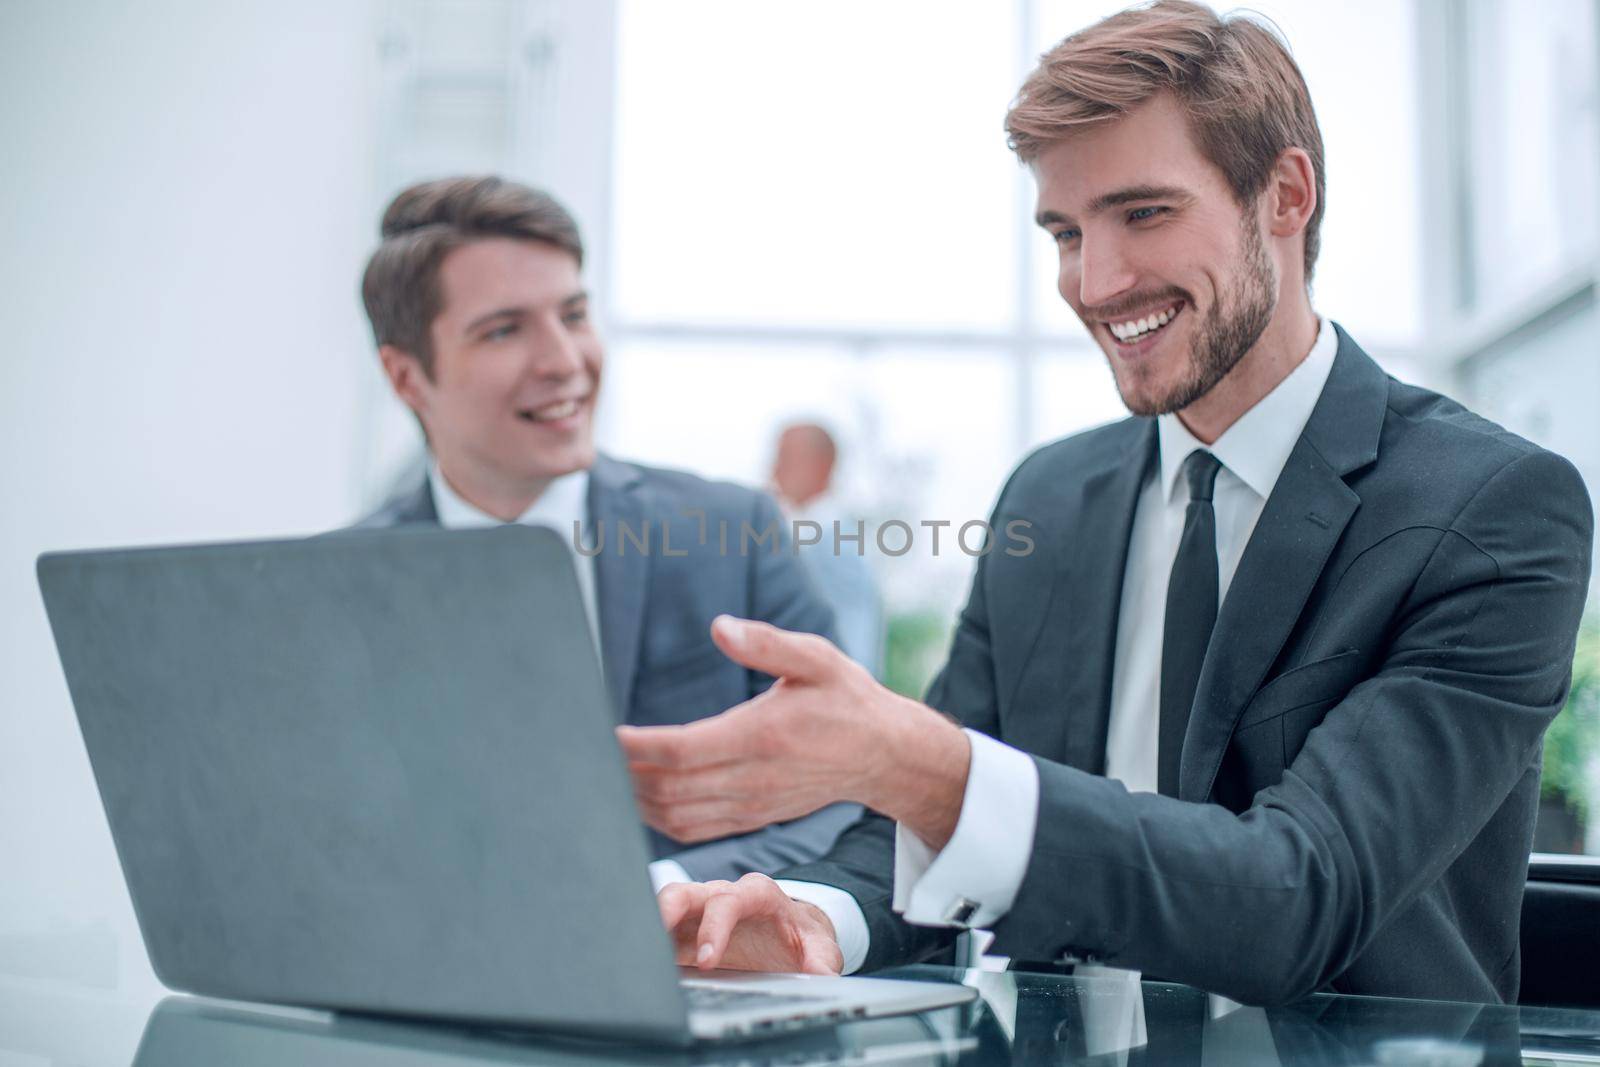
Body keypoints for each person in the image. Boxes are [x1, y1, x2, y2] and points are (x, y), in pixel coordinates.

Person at [616, 0, 1594, 1005]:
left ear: (1284, 196)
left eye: (1143, 213)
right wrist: (814, 914)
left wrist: (923, 762)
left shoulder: (1490, 509)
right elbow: (930, 838)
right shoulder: (1050, 497)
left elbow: (1301, 892)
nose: (1094, 280)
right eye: (1063, 231)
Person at [353, 175, 859, 888]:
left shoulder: (730, 533)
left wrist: (661, 894)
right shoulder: (344, 588)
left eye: (574, 314)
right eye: (504, 329)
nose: (564, 360)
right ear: (407, 377)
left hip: (691, 974)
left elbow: (850, 792)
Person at [770, 422, 884, 677]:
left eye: (785, 459)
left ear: (821, 465)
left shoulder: (830, 535)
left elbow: (855, 633)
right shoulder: (820, 530)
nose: (774, 471)